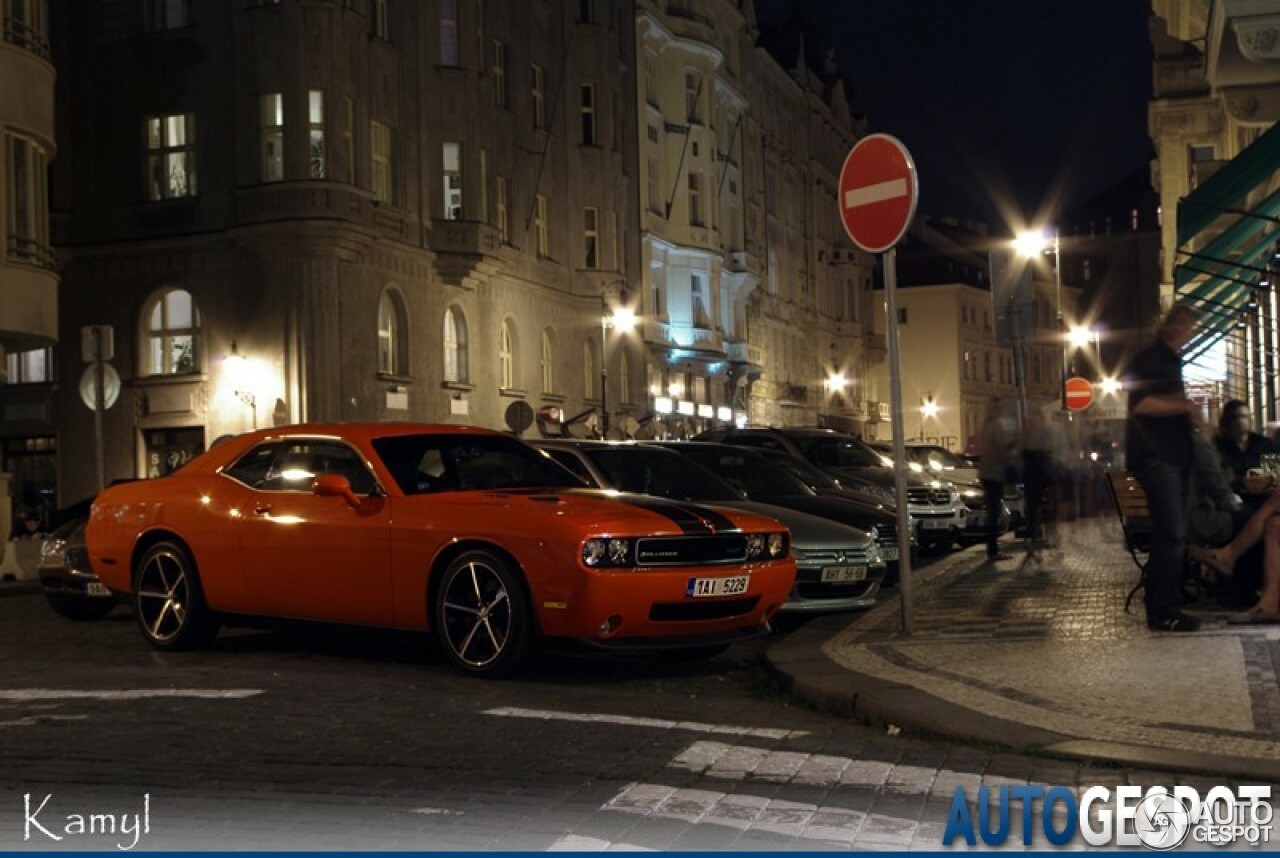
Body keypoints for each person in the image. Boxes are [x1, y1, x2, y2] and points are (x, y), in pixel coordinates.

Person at [1124, 304, 1203, 632]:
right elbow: (1142, 404)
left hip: (1174, 457)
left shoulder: (1171, 362)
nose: (1189, 332)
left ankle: (1167, 602)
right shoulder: (1149, 360)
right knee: (1170, 535)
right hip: (1158, 458)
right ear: (1172, 326)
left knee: (1174, 535)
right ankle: (1162, 610)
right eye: (1187, 326)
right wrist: (1183, 406)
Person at [977, 400, 1016, 561]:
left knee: (992, 511)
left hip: (987, 472)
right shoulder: (995, 426)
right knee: (994, 512)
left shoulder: (985, 426)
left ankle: (992, 549)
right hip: (994, 473)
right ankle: (993, 551)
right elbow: (1002, 447)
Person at [1213, 400, 1276, 493]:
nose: (1241, 420)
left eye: (1245, 416)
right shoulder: (1216, 446)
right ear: (1226, 420)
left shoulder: (1264, 444)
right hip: (1230, 499)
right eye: (1235, 417)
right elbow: (1217, 478)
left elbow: (1273, 476)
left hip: (1262, 497)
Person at [1021, 411, 1060, 552]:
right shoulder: (1028, 439)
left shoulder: (1042, 436)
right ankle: (1033, 535)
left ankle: (1048, 537)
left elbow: (1051, 456)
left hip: (1044, 477)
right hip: (1033, 478)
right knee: (1033, 508)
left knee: (1048, 508)